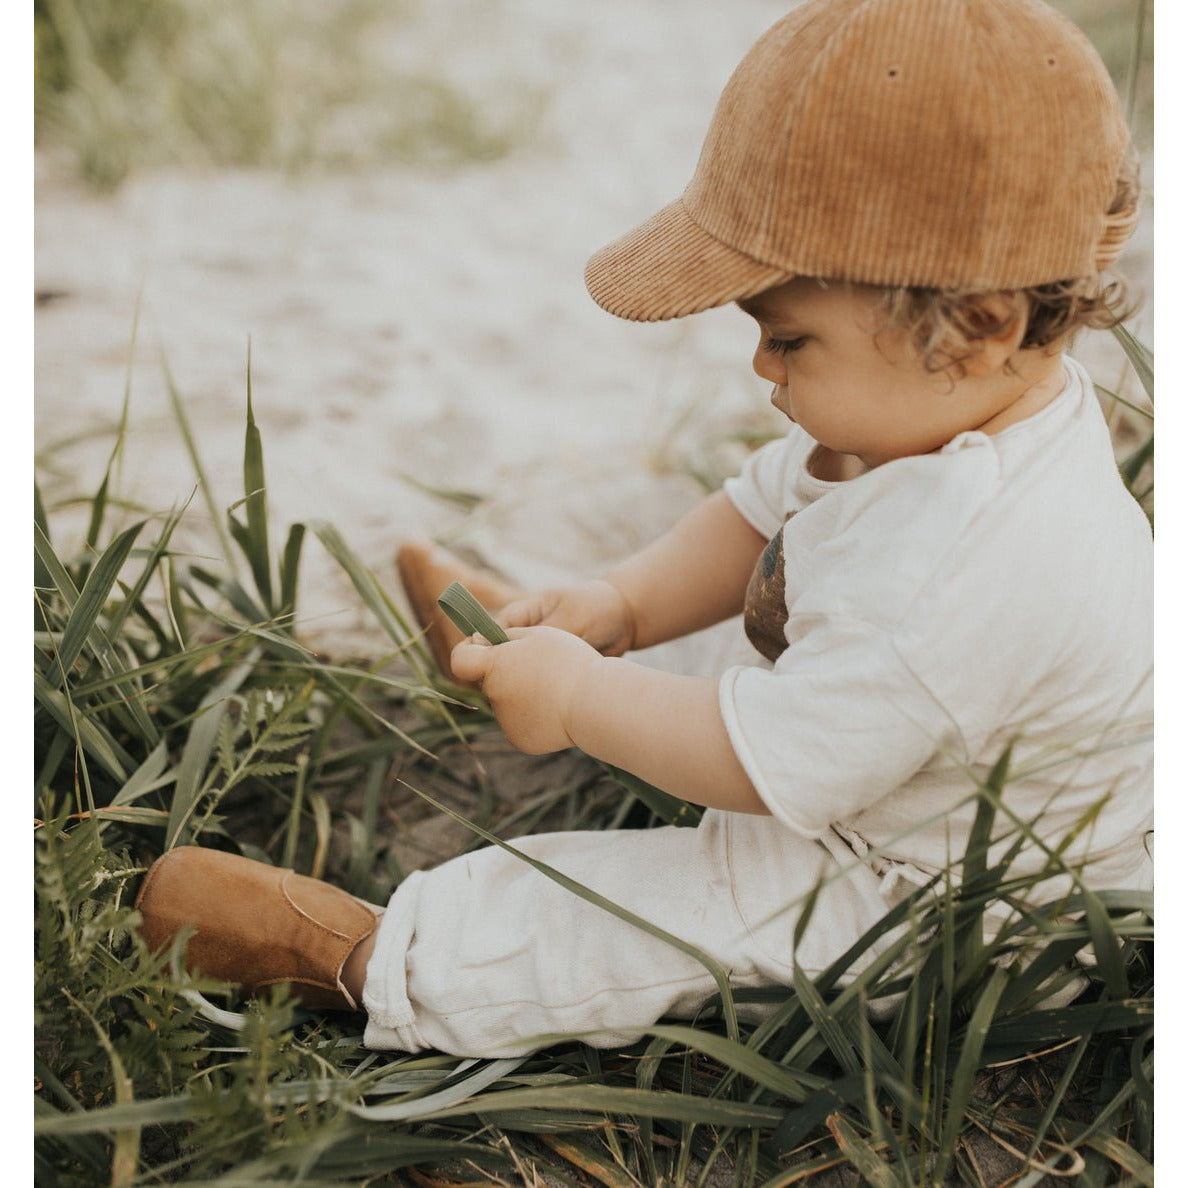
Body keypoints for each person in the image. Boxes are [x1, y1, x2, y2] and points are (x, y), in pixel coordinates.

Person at [136, 0, 1153, 1058]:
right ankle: (533, 639)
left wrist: (581, 699)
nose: (763, 365)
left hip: (944, 896)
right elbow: (767, 511)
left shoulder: (967, 568)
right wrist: (621, 604)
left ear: (977, 328)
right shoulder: (965, 406)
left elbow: (764, 764)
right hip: (896, 740)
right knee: (736, 640)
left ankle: (375, 957)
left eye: (790, 337)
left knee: (655, 915)